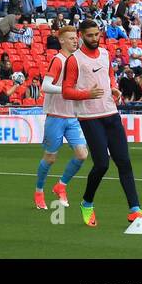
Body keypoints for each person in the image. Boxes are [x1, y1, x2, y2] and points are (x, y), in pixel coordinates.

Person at [62, 20, 142, 228]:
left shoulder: (104, 54)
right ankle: (87, 202)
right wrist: (87, 94)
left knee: (124, 162)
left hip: (111, 113)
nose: (94, 38)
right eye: (90, 35)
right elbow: (66, 91)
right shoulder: (75, 60)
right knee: (101, 164)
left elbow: (109, 76)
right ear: (81, 35)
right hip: (89, 118)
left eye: (97, 34)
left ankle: (135, 210)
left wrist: (113, 88)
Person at [33, 25, 88, 210]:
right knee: (50, 158)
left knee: (82, 154)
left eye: (76, 38)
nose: (75, 41)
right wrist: (67, 91)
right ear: (62, 40)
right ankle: (39, 191)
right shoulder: (58, 60)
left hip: (71, 116)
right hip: (55, 115)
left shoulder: (78, 61)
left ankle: (61, 185)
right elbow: (45, 86)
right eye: (71, 38)